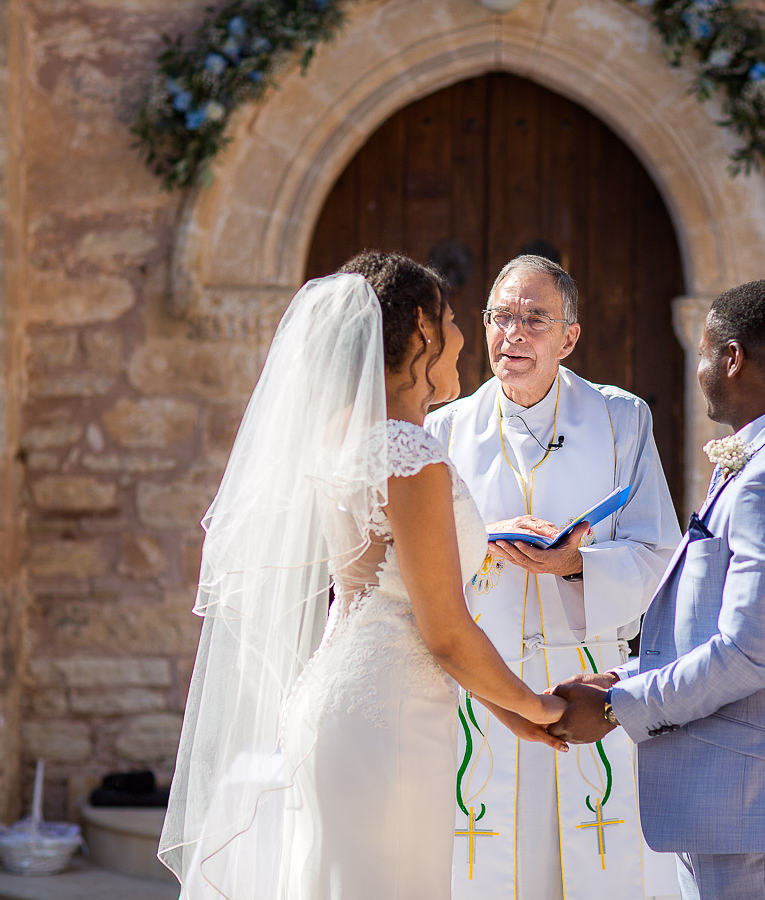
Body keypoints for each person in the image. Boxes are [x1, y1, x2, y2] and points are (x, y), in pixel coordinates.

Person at [159, 251, 565, 900]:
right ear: (424, 334)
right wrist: (537, 706)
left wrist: (504, 708)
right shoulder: (408, 454)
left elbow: (404, 600)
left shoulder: (347, 438)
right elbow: (445, 632)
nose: (463, 336)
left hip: (344, 698)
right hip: (388, 721)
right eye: (455, 318)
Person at [550, 279, 765, 900]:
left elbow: (748, 653)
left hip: (754, 813)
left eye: (704, 348)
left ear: (733, 358)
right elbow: (712, 628)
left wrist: (616, 710)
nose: (700, 367)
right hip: (734, 805)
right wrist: (621, 677)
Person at [424, 255, 681, 899]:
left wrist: (575, 564)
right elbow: (423, 567)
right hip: (485, 693)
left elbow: (660, 554)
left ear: (568, 338)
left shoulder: (622, 420)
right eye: (501, 316)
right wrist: (490, 548)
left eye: (535, 318)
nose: (514, 333)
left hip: (585, 695)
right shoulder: (445, 429)